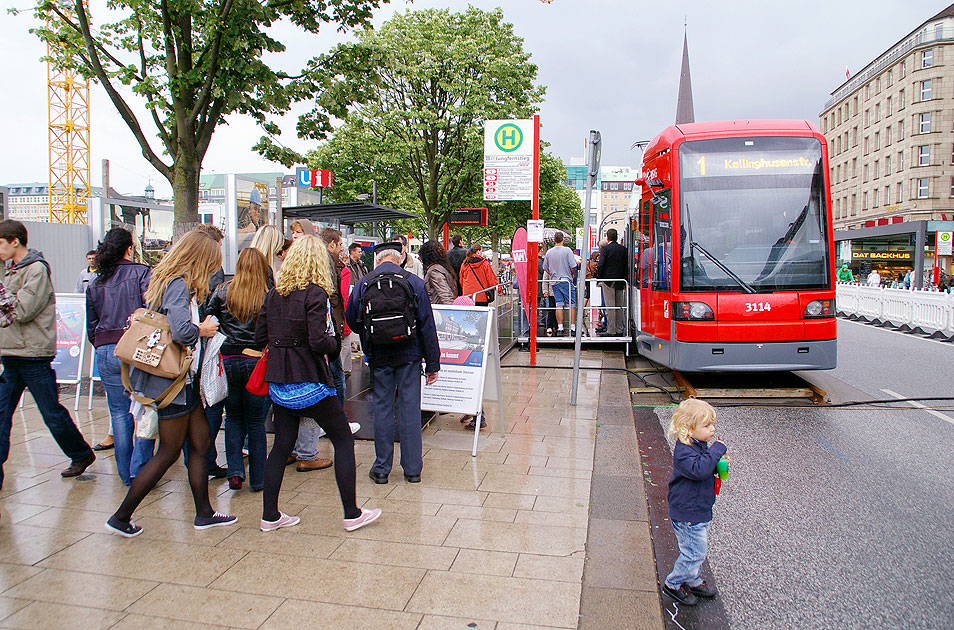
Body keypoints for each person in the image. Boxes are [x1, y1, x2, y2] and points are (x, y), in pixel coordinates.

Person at [106, 229, 236, 537]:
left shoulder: (166, 280)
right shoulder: (178, 284)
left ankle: (204, 513)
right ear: (200, 258)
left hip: (180, 382)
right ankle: (122, 516)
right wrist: (203, 329)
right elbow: (182, 332)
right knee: (168, 451)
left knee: (202, 443)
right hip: (174, 383)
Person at [257, 235, 381, 532]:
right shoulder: (315, 294)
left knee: (281, 445)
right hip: (310, 380)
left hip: (280, 381)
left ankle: (270, 515)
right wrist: (334, 341)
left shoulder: (274, 294)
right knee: (342, 438)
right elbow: (318, 340)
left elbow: (260, 336)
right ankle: (352, 513)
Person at [0, 220, 96, 489]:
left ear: (14, 241)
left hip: (33, 355)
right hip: (10, 354)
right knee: (1, 414)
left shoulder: (36, 270)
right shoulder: (8, 271)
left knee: (51, 412)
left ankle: (80, 453)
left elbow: (22, 310)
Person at [346, 242, 440, 484]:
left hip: (379, 355)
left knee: (382, 408)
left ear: (378, 260)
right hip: (409, 355)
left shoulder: (365, 282)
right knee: (410, 409)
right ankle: (412, 470)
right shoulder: (414, 283)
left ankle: (381, 469)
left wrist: (371, 337)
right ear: (401, 259)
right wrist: (432, 364)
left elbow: (353, 319)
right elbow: (427, 326)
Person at [86, 228, 155, 486]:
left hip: (106, 348)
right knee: (145, 408)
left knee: (119, 412)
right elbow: (150, 311)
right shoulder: (140, 272)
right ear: (129, 248)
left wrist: (102, 343)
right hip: (135, 346)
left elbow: (91, 324)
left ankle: (125, 474)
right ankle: (141, 469)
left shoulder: (96, 281)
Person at [204, 247, 270, 491]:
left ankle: (234, 472)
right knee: (255, 422)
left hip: (228, 360)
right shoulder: (267, 294)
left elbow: (209, 321)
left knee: (233, 417)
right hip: (256, 361)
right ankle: (259, 478)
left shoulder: (222, 291)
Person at [661, 398, 729, 606]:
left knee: (696, 549)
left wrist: (718, 465)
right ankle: (673, 584)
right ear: (688, 429)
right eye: (707, 426)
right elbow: (699, 470)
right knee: (694, 552)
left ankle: (692, 579)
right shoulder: (684, 452)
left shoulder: (698, 446)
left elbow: (705, 468)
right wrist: (717, 450)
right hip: (687, 513)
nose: (712, 429)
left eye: (712, 425)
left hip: (698, 509)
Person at [192, 223, 228, 478]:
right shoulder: (213, 271)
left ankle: (196, 458)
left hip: (191, 351)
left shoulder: (184, 273)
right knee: (212, 403)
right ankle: (206, 459)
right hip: (205, 345)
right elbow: (211, 312)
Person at [542, 231, 578, 336]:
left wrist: (553, 273)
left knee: (559, 304)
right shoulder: (567, 251)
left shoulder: (549, 252)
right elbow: (573, 266)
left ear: (554, 240)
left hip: (554, 281)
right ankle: (572, 327)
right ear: (563, 239)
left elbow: (546, 268)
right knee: (572, 303)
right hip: (566, 280)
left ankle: (560, 328)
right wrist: (570, 274)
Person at [597, 228, 628, 337]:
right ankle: (620, 329)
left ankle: (611, 330)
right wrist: (625, 281)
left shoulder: (605, 249)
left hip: (608, 281)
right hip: (620, 280)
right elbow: (626, 266)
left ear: (608, 237)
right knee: (619, 306)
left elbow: (601, 265)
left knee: (610, 306)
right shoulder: (623, 249)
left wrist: (599, 278)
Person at [420, 240, 460, 305]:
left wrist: (450, 312)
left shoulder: (434, 271)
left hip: (438, 311)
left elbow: (445, 295)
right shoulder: (443, 268)